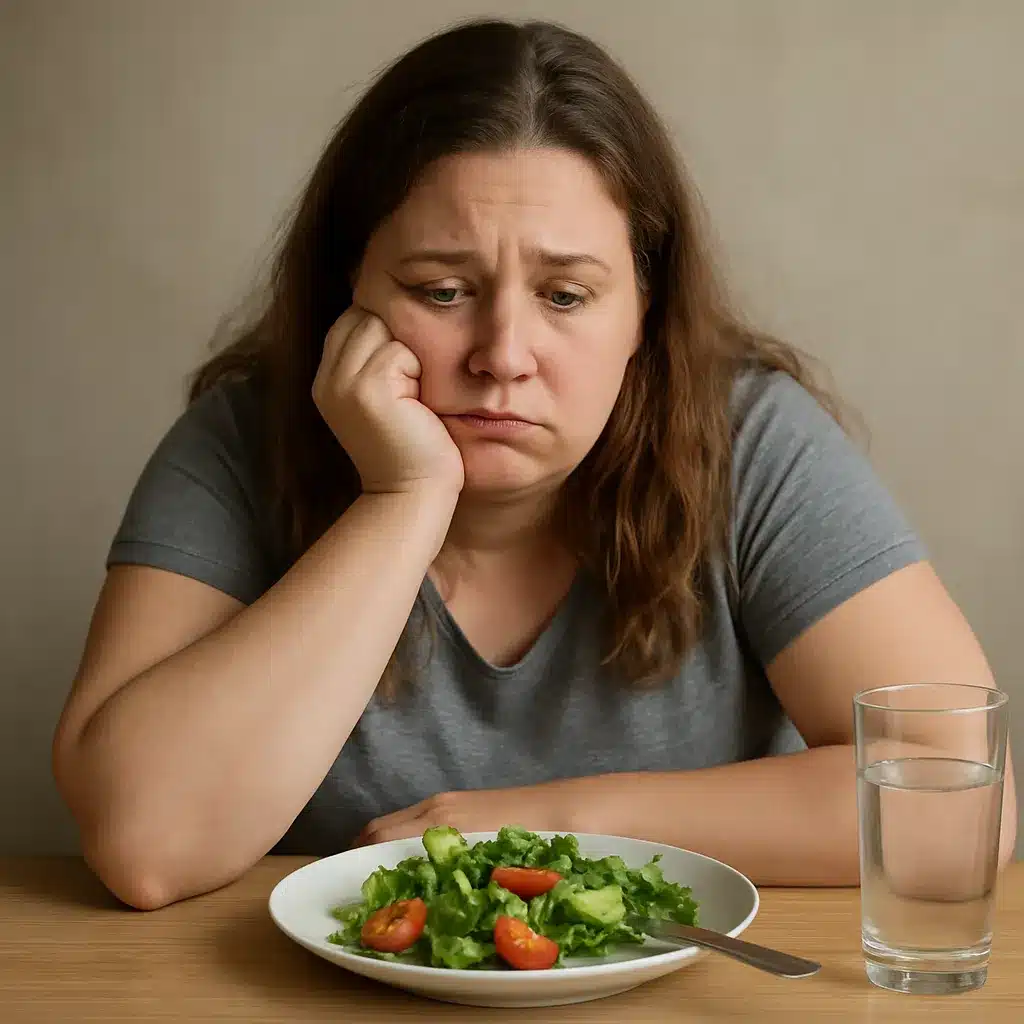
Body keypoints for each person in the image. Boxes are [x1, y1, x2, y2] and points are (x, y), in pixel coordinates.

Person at [52, 18, 1015, 911]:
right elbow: (146, 843)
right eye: (440, 288)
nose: (502, 352)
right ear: (350, 286)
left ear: (645, 306)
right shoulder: (240, 439)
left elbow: (963, 804)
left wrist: (552, 821)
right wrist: (404, 501)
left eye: (564, 295)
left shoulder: (751, 441)